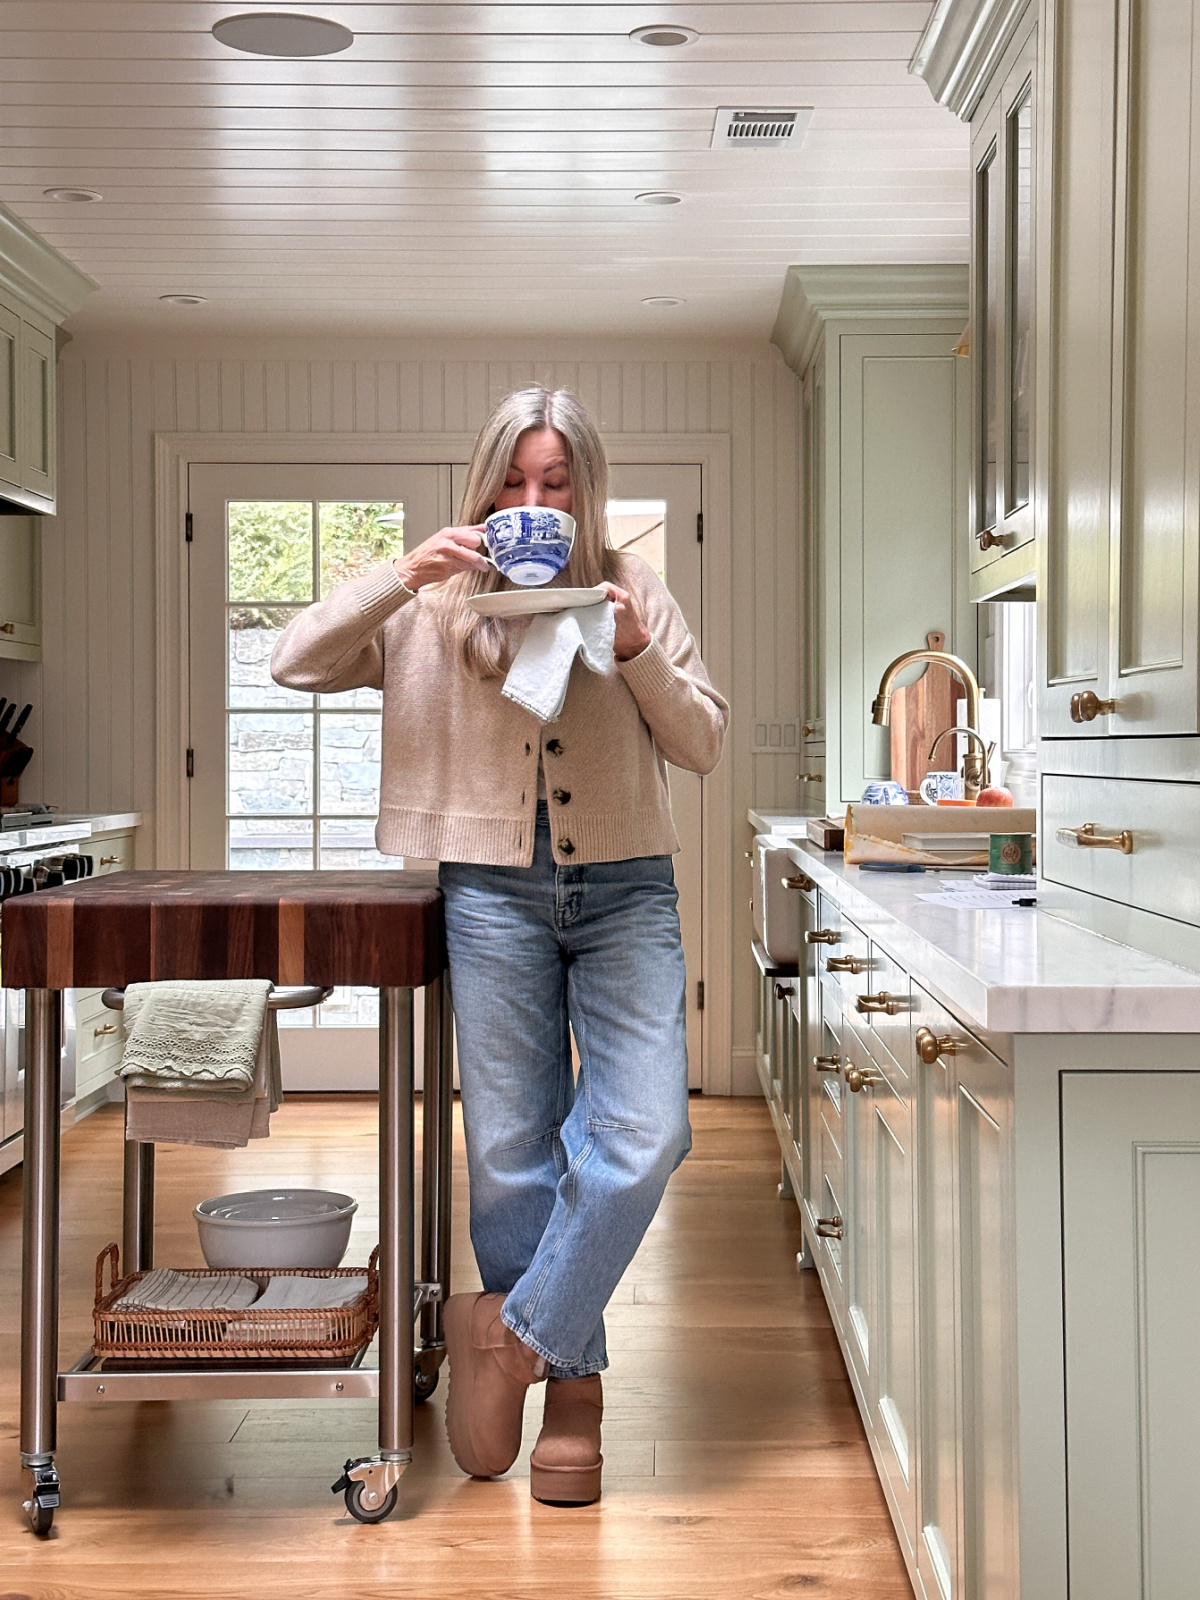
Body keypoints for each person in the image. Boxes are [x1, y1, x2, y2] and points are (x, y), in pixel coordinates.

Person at [272, 387, 728, 1505]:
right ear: (485, 489)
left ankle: (513, 1340)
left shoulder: (634, 588)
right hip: (489, 891)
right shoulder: (433, 603)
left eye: (555, 486)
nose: (534, 503)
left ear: (585, 496)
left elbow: (705, 739)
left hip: (626, 885)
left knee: (646, 1130)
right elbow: (293, 660)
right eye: (514, 484)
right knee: (514, 1145)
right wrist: (402, 575)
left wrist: (635, 653)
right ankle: (575, 1397)